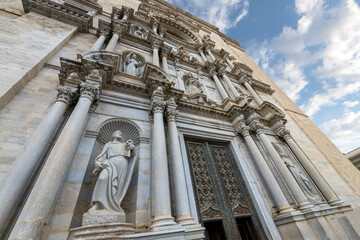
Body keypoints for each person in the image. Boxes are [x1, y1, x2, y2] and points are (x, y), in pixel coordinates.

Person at [89, 130, 135, 212]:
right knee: (102, 178)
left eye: (120, 133)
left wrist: (132, 147)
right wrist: (99, 163)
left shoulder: (124, 144)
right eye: (117, 132)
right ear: (113, 135)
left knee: (117, 185)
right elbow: (102, 156)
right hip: (110, 163)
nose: (120, 133)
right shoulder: (108, 144)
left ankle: (113, 205)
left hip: (122, 164)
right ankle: (98, 204)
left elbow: (132, 154)